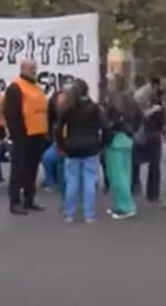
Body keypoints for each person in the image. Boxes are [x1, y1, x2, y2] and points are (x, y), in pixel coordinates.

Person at [55, 79, 104, 223]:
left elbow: (58, 129)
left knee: (71, 182)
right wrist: (101, 143)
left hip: (72, 148)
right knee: (90, 180)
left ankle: (69, 213)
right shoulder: (94, 107)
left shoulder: (67, 107)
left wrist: (61, 145)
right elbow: (104, 125)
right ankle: (89, 214)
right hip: (90, 147)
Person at [3, 59, 48, 215]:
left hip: (37, 134)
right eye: (30, 68)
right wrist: (18, 135)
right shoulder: (16, 87)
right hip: (23, 136)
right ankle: (15, 202)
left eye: (35, 68)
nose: (34, 70)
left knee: (32, 169)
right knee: (18, 169)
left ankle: (29, 200)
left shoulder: (36, 87)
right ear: (22, 69)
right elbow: (11, 114)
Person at [104, 74, 142, 220]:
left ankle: (126, 207)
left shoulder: (116, 99)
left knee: (117, 175)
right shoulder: (130, 98)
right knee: (124, 174)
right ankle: (120, 204)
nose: (108, 85)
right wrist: (132, 131)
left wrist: (111, 126)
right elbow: (140, 117)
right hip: (127, 139)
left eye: (110, 82)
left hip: (116, 138)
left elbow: (114, 118)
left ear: (115, 84)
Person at [132, 76, 166, 201]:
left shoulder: (158, 96)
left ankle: (152, 193)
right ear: (155, 85)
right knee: (137, 162)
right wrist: (152, 110)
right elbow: (139, 115)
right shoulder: (142, 95)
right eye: (163, 86)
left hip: (154, 132)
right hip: (145, 132)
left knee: (154, 165)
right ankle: (137, 187)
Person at [41, 84, 70, 192]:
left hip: (71, 143)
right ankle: (51, 182)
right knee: (47, 158)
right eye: (59, 101)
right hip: (57, 143)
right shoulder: (53, 115)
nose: (60, 103)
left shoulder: (73, 112)